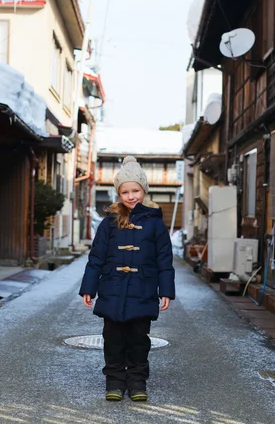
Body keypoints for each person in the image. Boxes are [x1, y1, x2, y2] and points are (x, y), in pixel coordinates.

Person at [79, 155, 175, 402]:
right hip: (111, 288)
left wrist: (165, 291)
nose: (131, 197)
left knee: (139, 340)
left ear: (144, 190)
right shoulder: (109, 223)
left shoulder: (155, 224)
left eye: (135, 190)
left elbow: (165, 260)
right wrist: (88, 287)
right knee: (112, 339)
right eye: (125, 192)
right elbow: (96, 257)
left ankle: (137, 381)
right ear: (118, 195)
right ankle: (114, 381)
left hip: (143, 290)